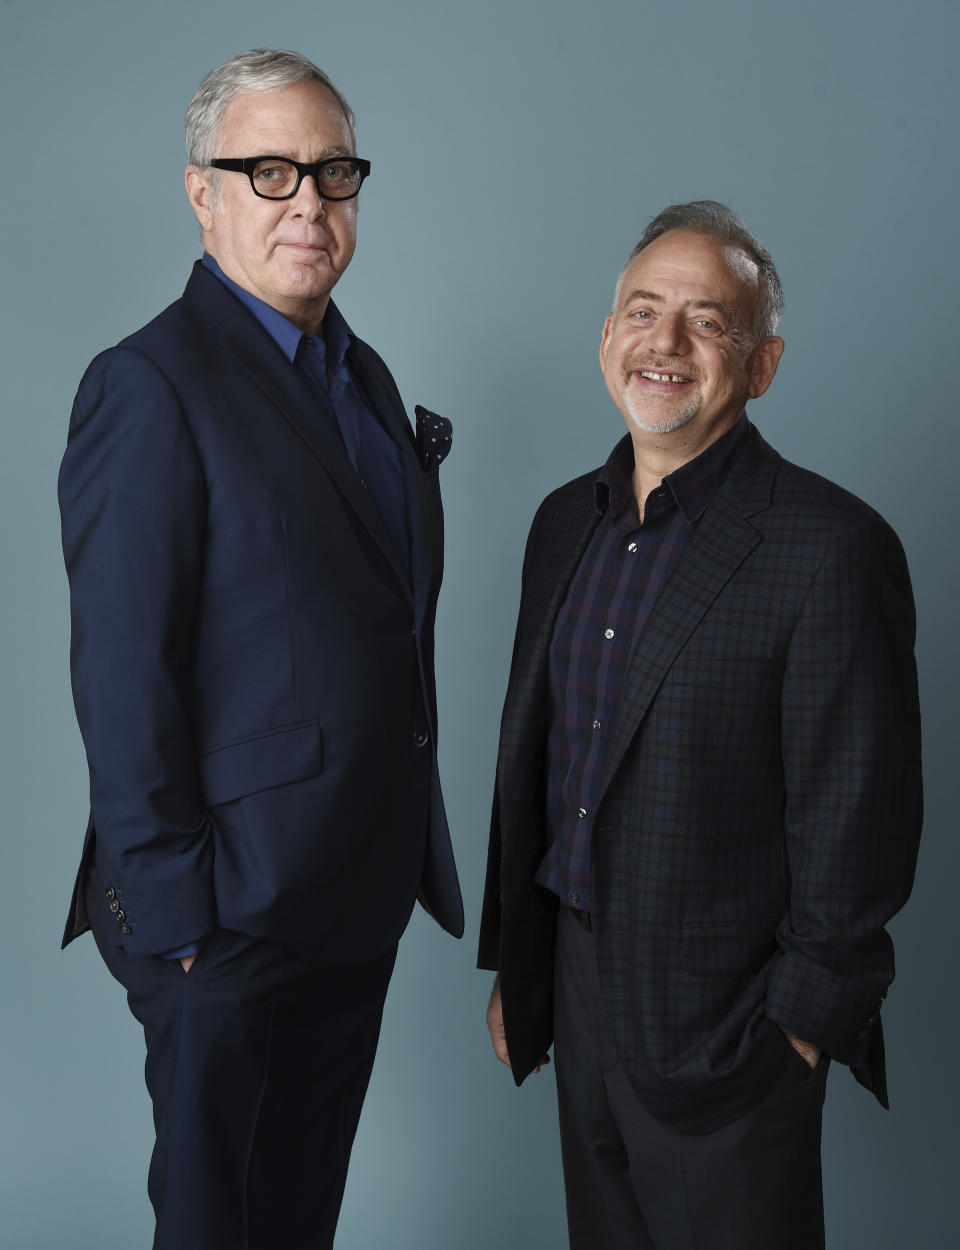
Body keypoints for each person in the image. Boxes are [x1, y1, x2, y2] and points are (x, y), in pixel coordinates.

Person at [59, 47, 462, 1250]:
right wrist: (181, 926)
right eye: (271, 171)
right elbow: (122, 672)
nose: (309, 204)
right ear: (203, 192)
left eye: (333, 173)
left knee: (295, 1222)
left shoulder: (363, 373)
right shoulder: (148, 385)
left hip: (352, 895)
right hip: (223, 919)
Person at [479, 200, 922, 1250]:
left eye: (707, 321)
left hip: (734, 1031)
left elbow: (858, 822)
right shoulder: (561, 525)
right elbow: (546, 766)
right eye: (642, 310)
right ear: (607, 338)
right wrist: (523, 968)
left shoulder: (829, 547)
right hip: (577, 1001)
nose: (665, 343)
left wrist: (799, 1034)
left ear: (761, 364)